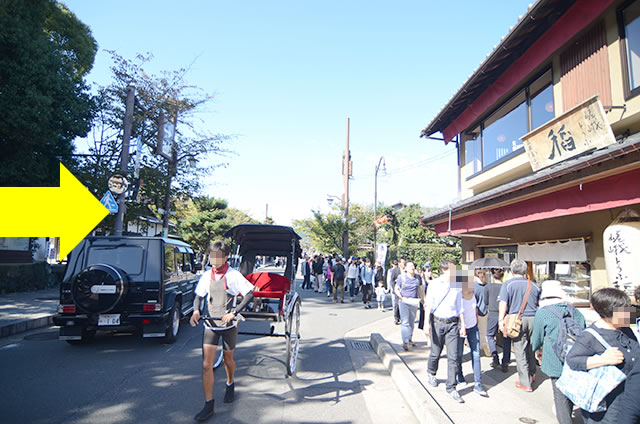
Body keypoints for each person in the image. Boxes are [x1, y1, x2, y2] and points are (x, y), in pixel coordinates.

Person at [190, 240, 256, 422]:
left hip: (228, 325)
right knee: (206, 365)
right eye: (211, 256)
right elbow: (198, 296)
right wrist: (196, 310)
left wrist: (233, 312)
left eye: (217, 256)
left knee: (228, 360)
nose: (213, 259)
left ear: (225, 257)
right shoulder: (206, 275)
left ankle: (230, 382)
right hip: (210, 324)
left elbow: (250, 294)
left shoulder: (233, 275)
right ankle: (208, 404)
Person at [565, 288, 640, 424]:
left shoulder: (626, 329)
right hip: (606, 406)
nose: (629, 314)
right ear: (607, 313)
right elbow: (572, 360)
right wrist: (602, 359)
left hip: (630, 399)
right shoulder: (590, 336)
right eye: (624, 311)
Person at [531, 280, 586, 424]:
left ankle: (565, 419)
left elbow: (536, 339)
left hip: (554, 359)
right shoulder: (575, 311)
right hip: (576, 357)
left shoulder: (543, 313)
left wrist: (537, 350)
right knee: (572, 391)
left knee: (560, 396)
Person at [424, 259, 466, 403]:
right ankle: (431, 372)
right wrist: (426, 324)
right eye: (454, 268)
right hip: (437, 322)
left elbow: (460, 306)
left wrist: (463, 324)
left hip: (453, 324)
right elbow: (428, 304)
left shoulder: (457, 285)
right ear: (445, 269)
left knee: (453, 357)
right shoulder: (434, 284)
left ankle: (451, 387)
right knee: (435, 353)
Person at [498, 258, 540, 392]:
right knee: (531, 348)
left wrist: (501, 320)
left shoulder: (508, 284)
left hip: (517, 319)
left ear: (511, 270)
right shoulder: (534, 285)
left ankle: (525, 382)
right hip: (534, 318)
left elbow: (503, 303)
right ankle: (532, 374)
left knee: (519, 349)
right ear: (525, 271)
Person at [456, 274, 488, 397]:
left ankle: (478, 382)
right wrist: (462, 325)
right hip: (461, 328)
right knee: (459, 353)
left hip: (473, 327)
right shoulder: (458, 296)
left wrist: (476, 320)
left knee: (476, 353)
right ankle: (459, 374)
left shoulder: (473, 294)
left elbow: (475, 308)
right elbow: (460, 312)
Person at [395, 261, 425, 351]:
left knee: (411, 322)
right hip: (404, 301)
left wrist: (424, 301)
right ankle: (405, 341)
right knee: (405, 322)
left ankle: (409, 338)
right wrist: (401, 297)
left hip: (414, 301)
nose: (412, 268)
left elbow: (421, 289)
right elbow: (396, 288)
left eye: (413, 266)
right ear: (406, 268)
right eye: (410, 266)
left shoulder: (417, 278)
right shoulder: (402, 277)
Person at [486, 268, 511, 372]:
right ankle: (505, 361)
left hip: (492, 313)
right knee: (506, 337)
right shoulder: (507, 287)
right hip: (505, 314)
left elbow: (485, 300)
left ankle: (495, 356)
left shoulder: (488, 287)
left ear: (492, 275)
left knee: (490, 335)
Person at [474, 268, 490, 356]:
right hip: (483, 311)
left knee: (481, 331)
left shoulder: (474, 286)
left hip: (479, 311)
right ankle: (485, 348)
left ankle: (481, 346)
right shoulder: (486, 286)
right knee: (484, 331)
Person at [388, 260, 401, 325]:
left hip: (404, 290)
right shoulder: (394, 270)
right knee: (396, 304)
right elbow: (391, 280)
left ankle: (401, 316)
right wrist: (393, 288)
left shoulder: (406, 271)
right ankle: (396, 317)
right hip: (397, 289)